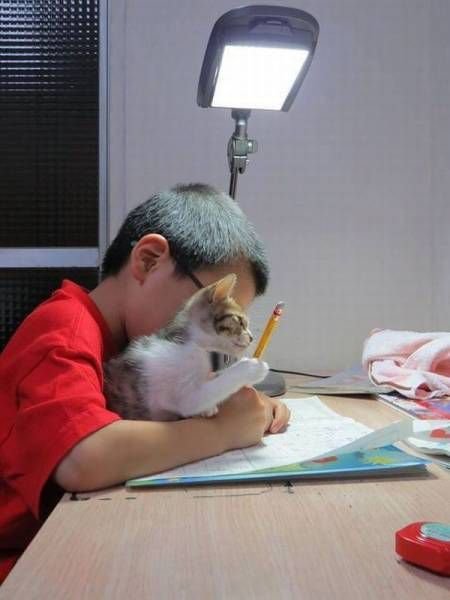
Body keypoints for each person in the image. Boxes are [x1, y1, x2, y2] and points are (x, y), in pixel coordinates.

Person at [0, 183, 290, 581]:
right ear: (149, 261)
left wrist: (244, 405)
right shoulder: (64, 331)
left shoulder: (127, 345)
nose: (223, 338)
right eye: (215, 312)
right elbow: (82, 460)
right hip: (23, 563)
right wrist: (225, 431)